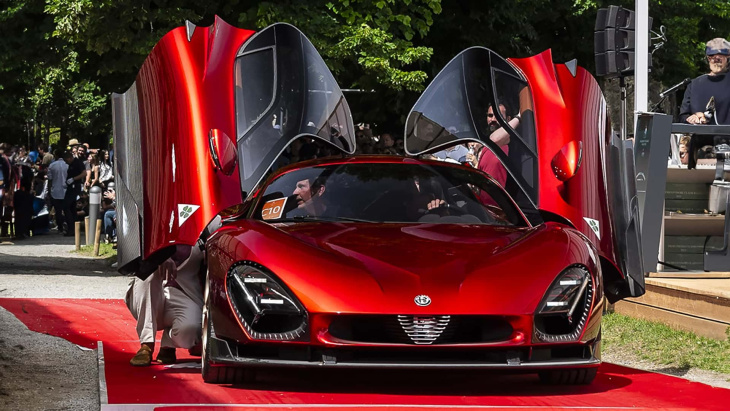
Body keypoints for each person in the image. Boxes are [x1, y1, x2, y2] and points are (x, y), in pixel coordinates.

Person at [125, 242, 206, 366]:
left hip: (184, 293)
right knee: (149, 274)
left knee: (190, 331)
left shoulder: (202, 228)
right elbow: (132, 252)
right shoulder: (154, 223)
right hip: (150, 293)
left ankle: (167, 345)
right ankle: (146, 345)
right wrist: (159, 256)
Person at [680, 38, 730, 125]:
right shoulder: (694, 84)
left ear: (728, 58)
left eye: (720, 57)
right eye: (713, 57)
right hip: (700, 137)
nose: (716, 60)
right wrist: (693, 118)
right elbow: (683, 117)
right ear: (708, 58)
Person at [63, 150, 86, 237]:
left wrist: (74, 179)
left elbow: (84, 173)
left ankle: (72, 228)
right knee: (72, 207)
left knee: (66, 206)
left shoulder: (78, 163)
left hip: (75, 186)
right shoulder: (70, 164)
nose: (66, 162)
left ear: (70, 158)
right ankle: (74, 229)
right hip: (70, 186)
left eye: (66, 160)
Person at [47, 149, 69, 232]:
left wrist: (49, 191)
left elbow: (50, 179)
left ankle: (60, 227)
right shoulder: (67, 165)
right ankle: (67, 225)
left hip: (55, 190)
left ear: (55, 155)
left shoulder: (52, 165)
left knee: (58, 210)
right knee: (66, 209)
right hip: (66, 190)